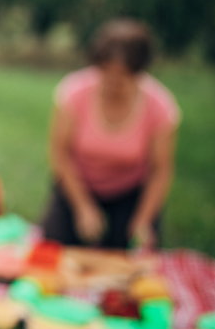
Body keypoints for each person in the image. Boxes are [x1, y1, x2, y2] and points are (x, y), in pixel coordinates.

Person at [40, 18, 180, 250]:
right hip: (78, 183)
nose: (111, 83)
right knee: (53, 247)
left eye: (121, 77)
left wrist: (143, 221)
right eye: (105, 73)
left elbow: (160, 171)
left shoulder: (160, 107)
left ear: (138, 73)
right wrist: (83, 206)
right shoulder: (74, 91)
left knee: (131, 253)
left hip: (130, 193)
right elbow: (60, 153)